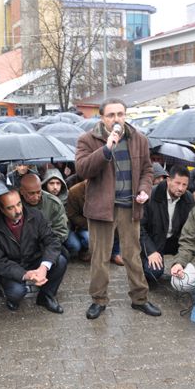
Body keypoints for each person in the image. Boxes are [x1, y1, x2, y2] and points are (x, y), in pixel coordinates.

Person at [76, 97, 161, 320]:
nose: (116, 119)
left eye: (120, 114)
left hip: (129, 205)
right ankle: (98, 300)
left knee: (132, 255)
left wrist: (144, 189)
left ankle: (140, 299)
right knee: (100, 257)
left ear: (125, 115)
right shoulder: (88, 139)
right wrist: (106, 149)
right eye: (111, 115)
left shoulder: (139, 139)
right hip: (101, 208)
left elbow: (147, 170)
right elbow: (83, 170)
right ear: (102, 117)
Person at [0, 189, 66, 314]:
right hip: (12, 265)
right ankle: (10, 296)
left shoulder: (36, 215)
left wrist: (44, 267)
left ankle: (46, 296)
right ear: (1, 209)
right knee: (16, 292)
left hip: (33, 258)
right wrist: (25, 274)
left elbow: (52, 241)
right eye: (10, 208)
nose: (18, 211)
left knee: (60, 261)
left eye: (19, 204)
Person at [141, 165, 195, 289]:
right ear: (168, 180)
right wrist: (150, 251)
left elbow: (192, 230)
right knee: (153, 272)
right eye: (177, 183)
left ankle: (177, 268)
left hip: (175, 240)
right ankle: (142, 263)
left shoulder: (189, 198)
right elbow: (140, 228)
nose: (180, 188)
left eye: (184, 185)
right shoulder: (151, 195)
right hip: (154, 240)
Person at [19, 173, 69, 245]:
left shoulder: (54, 204)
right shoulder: (14, 203)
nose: (36, 197)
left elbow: (61, 231)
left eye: (39, 192)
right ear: (22, 191)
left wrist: (47, 246)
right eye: (31, 193)